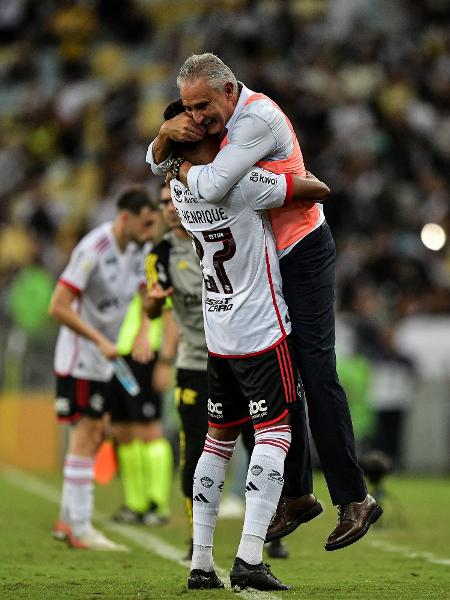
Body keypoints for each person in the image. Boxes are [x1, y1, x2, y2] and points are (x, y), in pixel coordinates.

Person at [147, 53, 382, 552]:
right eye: (188, 109)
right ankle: (296, 495)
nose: (198, 118)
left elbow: (210, 182)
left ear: (230, 90)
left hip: (301, 251)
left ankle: (355, 499)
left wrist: (174, 156)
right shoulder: (220, 128)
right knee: (279, 377)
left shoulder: (253, 120)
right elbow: (160, 162)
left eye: (204, 107)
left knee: (315, 372)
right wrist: (168, 144)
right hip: (268, 260)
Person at [154, 101, 332, 591]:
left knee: (217, 441)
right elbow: (314, 190)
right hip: (260, 329)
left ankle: (201, 563)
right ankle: (251, 555)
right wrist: (280, 166)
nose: (223, 134)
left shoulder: (176, 187)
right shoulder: (242, 184)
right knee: (275, 435)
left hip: (218, 332)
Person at [145, 182, 256, 559]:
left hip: (235, 354)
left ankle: (272, 530)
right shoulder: (159, 255)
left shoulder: (215, 233)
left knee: (258, 443)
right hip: (195, 363)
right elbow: (154, 308)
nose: (170, 208)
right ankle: (198, 540)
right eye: (163, 204)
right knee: (193, 451)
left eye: (173, 199)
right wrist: (152, 305)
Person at [49, 186, 157, 550]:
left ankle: (68, 521)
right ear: (124, 217)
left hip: (105, 359)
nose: (149, 231)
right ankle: (80, 527)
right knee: (89, 433)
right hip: (81, 356)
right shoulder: (92, 250)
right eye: (145, 223)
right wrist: (98, 340)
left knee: (97, 434)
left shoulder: (140, 248)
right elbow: (58, 306)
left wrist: (143, 331)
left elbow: (145, 293)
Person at [108, 290, 173, 526]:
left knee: (149, 430)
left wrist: (164, 360)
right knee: (122, 432)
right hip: (115, 355)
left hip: (143, 355)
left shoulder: (148, 262)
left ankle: (158, 504)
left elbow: (165, 310)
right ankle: (135, 504)